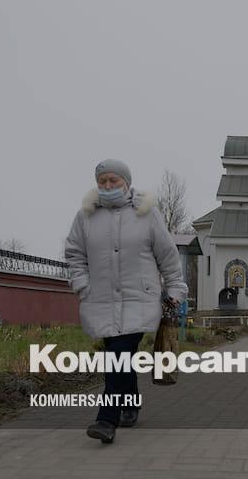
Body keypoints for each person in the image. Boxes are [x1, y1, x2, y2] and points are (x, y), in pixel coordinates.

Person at [65, 159, 188, 444]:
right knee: (120, 357)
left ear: (126, 182)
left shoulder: (147, 213)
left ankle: (106, 420)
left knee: (118, 356)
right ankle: (131, 404)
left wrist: (174, 289)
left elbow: (167, 255)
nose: (108, 185)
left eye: (114, 180)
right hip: (101, 301)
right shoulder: (85, 216)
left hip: (139, 300)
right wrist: (81, 285)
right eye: (102, 181)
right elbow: (74, 254)